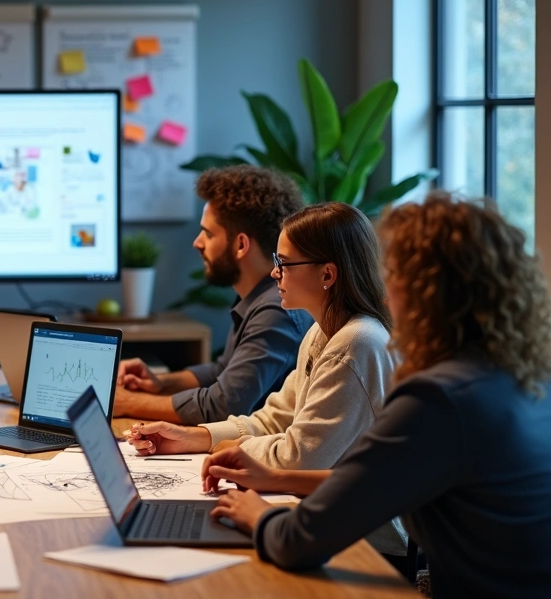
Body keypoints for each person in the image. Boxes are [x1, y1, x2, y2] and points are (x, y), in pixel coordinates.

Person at [206, 193, 551, 597]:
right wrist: (275, 477)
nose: (385, 293)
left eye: (395, 275)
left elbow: (299, 540)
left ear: (425, 293)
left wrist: (258, 515)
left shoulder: (438, 399)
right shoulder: (521, 379)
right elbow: (371, 481)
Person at [125, 202, 406, 557]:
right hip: (326, 521)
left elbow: (300, 459)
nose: (275, 273)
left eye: (284, 263)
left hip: (368, 546)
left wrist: (234, 450)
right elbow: (275, 418)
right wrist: (196, 438)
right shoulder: (324, 333)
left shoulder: (355, 344)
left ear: (327, 274)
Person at [113, 165, 312, 423]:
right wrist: (161, 383)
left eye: (208, 233)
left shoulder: (277, 311)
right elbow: (223, 370)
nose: (197, 242)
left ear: (241, 245)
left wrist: (127, 402)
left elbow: (223, 405)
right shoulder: (259, 298)